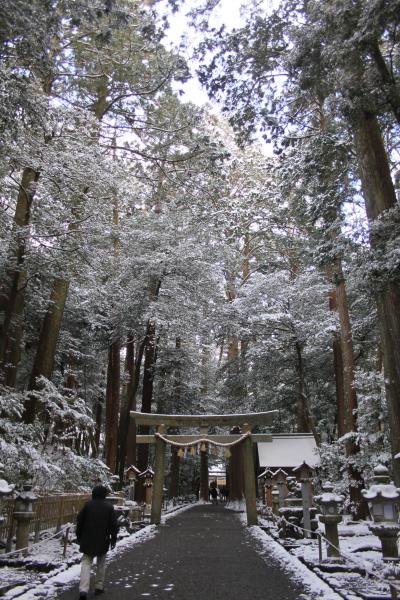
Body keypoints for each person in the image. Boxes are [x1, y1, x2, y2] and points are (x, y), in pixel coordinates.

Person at [76, 484, 118, 599]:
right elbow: (113, 525)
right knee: (101, 563)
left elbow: (80, 521)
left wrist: (79, 536)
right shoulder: (109, 507)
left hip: (88, 538)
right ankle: (99, 586)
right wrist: (114, 538)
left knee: (86, 563)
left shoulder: (88, 505)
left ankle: (83, 589)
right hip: (103, 539)